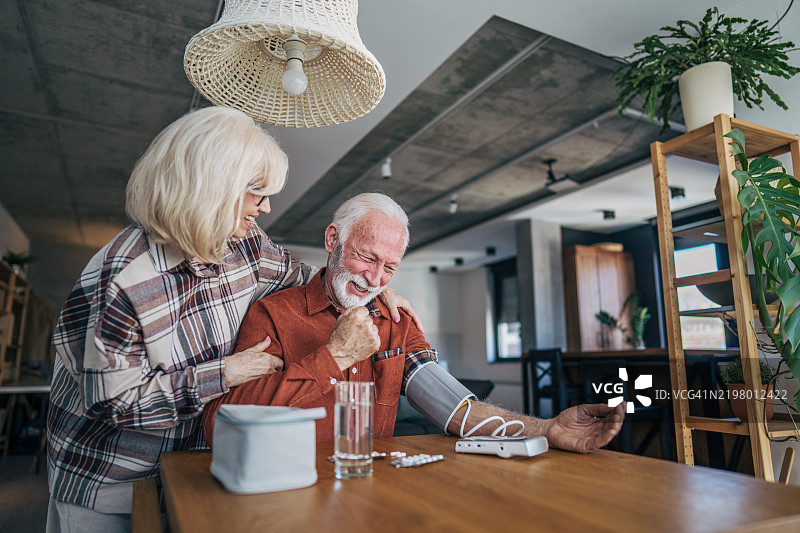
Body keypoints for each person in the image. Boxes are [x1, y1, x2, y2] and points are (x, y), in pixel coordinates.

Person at [45, 107, 419, 533]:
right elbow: (112, 402)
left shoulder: (244, 245)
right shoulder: (127, 277)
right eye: (257, 191)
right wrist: (224, 372)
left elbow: (306, 280)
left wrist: (372, 280)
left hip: (193, 467)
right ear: (210, 186)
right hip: (109, 478)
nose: (266, 206)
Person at [203, 192, 625, 452]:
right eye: (366, 257)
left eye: (389, 267)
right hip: (285, 495)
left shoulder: (396, 320)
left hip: (370, 493)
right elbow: (222, 423)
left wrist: (546, 429)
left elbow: (453, 408)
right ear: (333, 240)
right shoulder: (273, 313)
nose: (374, 279)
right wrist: (331, 358)